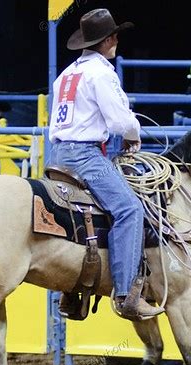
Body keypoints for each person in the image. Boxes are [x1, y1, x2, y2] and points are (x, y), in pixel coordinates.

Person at [48, 8, 164, 320]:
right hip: (84, 155)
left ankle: (71, 293)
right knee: (129, 209)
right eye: (114, 36)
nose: (116, 41)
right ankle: (126, 293)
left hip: (58, 155)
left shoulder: (65, 75)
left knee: (77, 213)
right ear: (108, 40)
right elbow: (118, 121)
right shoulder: (102, 73)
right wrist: (133, 133)